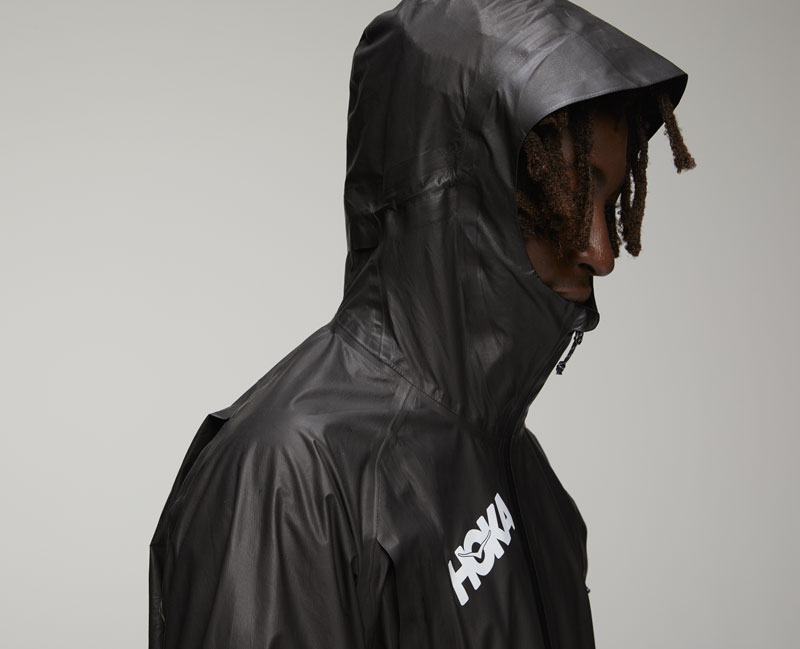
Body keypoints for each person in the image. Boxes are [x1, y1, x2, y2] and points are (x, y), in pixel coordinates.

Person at [148, 0, 695, 647]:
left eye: (608, 201)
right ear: (462, 197)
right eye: (572, 198)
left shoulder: (528, 477)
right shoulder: (288, 480)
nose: (602, 251)